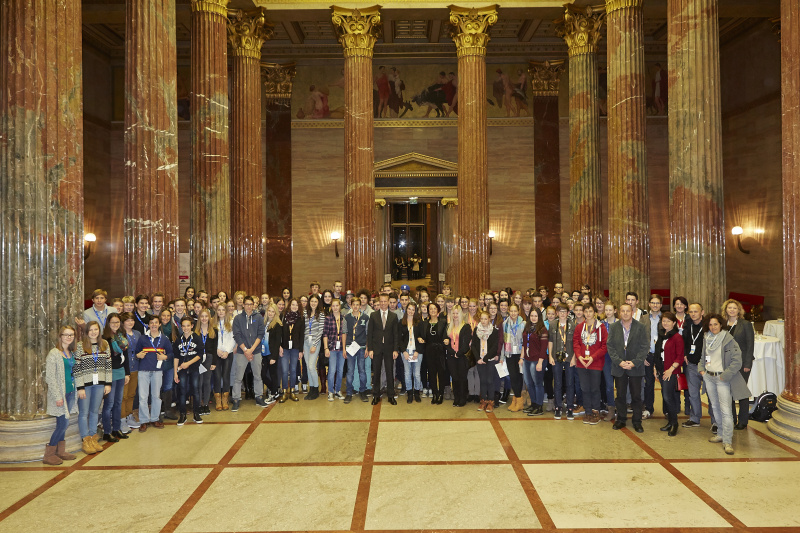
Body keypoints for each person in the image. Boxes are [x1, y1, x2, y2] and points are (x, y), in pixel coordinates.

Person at [701, 314, 751, 455]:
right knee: (715, 407)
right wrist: (702, 370)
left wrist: (725, 375)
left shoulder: (728, 339)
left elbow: (737, 361)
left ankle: (728, 441)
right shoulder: (706, 337)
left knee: (726, 410)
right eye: (710, 325)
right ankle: (721, 433)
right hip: (709, 377)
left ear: (721, 325)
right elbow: (703, 356)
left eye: (715, 324)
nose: (713, 327)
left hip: (723, 379)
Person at [608, 303, 649, 432]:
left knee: (636, 396)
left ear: (632, 312)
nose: (625, 313)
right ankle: (621, 419)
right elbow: (610, 346)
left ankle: (637, 421)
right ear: (619, 312)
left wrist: (635, 362)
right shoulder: (614, 327)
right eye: (623, 311)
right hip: (619, 367)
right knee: (620, 395)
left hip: (635, 367)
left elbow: (644, 346)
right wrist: (619, 362)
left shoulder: (640, 327)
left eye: (628, 311)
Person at [43, 326, 80, 465]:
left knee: (64, 422)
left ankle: (60, 451)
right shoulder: (54, 353)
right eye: (66, 335)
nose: (69, 337)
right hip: (60, 394)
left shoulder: (70, 352)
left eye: (71, 335)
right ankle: (49, 454)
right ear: (60, 336)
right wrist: (58, 396)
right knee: (63, 423)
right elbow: (50, 378)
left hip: (70, 391)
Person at [74, 321, 112, 453]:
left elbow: (108, 365)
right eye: (90, 330)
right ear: (86, 332)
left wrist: (108, 383)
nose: (93, 332)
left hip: (100, 384)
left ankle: (93, 436)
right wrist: (80, 387)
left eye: (95, 329)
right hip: (85, 385)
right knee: (84, 412)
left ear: (99, 331)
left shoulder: (104, 344)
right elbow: (77, 367)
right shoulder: (80, 346)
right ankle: (86, 439)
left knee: (95, 411)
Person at [722, 299, 755, 430]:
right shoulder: (723, 324)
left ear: (739, 310)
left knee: (741, 392)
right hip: (726, 364)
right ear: (726, 310)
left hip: (742, 364)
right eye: (729, 308)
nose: (732, 310)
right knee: (728, 392)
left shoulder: (745, 324)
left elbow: (750, 345)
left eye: (734, 308)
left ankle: (743, 420)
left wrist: (747, 363)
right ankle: (731, 418)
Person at [572, 305, 607, 424]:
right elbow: (576, 343)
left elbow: (604, 346)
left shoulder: (601, 327)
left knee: (595, 388)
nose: (587, 313)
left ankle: (595, 411)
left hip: (595, 363)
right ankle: (587, 411)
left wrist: (593, 357)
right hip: (582, 363)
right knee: (584, 388)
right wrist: (579, 356)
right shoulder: (579, 327)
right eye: (585, 311)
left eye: (590, 311)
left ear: (594, 312)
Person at [232, 296, 267, 411]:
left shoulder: (258, 317)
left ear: (253, 305)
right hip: (242, 352)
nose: (248, 306)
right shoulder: (237, 318)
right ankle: (236, 399)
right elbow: (237, 335)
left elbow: (260, 334)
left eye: (250, 304)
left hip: (255, 351)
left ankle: (259, 396)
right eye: (246, 304)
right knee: (238, 377)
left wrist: (251, 350)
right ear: (243, 305)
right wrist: (246, 350)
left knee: (257, 375)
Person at [101, 313, 130, 442]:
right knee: (109, 404)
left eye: (117, 322)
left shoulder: (121, 337)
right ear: (108, 323)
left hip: (120, 371)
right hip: (109, 373)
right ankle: (107, 431)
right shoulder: (104, 339)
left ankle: (116, 428)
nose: (115, 325)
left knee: (118, 402)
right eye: (112, 323)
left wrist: (127, 373)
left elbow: (126, 357)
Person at [367, 293, 400, 405]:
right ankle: (376, 395)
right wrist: (370, 349)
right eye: (381, 301)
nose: (383, 303)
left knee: (390, 372)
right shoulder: (373, 315)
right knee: (376, 372)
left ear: (388, 302)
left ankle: (391, 395)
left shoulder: (393, 316)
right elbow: (370, 333)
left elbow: (396, 334)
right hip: (376, 348)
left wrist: (396, 349)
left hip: (389, 349)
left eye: (385, 301)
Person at [657, 312, 685, 436]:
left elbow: (679, 357)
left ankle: (674, 423)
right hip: (662, 370)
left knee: (668, 397)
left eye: (668, 321)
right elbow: (658, 353)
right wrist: (655, 368)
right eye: (664, 321)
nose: (665, 323)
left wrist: (670, 370)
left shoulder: (677, 337)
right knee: (666, 396)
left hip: (671, 371)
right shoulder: (662, 335)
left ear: (674, 323)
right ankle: (670, 421)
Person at [173, 317, 204, 425]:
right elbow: (176, 357)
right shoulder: (178, 339)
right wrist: (175, 373)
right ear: (181, 327)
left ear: (192, 326)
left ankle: (196, 413)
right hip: (181, 370)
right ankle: (182, 414)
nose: (186, 328)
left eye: (188, 325)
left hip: (194, 368)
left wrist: (188, 363)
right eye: (183, 326)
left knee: (195, 390)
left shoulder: (197, 338)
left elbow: (200, 354)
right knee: (182, 391)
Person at [682, 303, 707, 429]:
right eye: (691, 312)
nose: (693, 314)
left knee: (712, 395)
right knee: (693, 394)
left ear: (702, 312)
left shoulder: (708, 326)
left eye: (695, 311)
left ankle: (715, 422)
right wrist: (685, 354)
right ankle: (695, 418)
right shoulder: (688, 324)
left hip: (707, 366)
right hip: (691, 364)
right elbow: (684, 341)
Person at [642, 294, 665, 419]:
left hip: (662, 356)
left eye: (657, 303)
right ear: (649, 304)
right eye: (653, 302)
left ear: (661, 305)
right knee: (649, 384)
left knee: (664, 383)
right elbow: (639, 338)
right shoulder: (643, 319)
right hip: (648, 355)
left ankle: (666, 410)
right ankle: (648, 409)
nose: (655, 305)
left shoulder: (666, 318)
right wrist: (643, 356)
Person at [522, 308, 548, 416]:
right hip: (527, 360)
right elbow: (524, 344)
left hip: (537, 360)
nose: (533, 318)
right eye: (532, 316)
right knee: (529, 383)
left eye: (536, 316)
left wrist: (540, 362)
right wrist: (521, 358)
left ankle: (539, 406)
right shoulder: (527, 328)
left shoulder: (542, 329)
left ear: (539, 317)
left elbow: (543, 347)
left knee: (537, 384)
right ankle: (533, 404)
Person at [471, 311, 499, 412]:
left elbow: (494, 347)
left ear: (489, 319)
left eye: (485, 319)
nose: (483, 321)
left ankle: (491, 401)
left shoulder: (494, 331)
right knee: (482, 380)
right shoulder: (476, 330)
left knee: (490, 380)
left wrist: (485, 358)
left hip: (490, 359)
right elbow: (473, 345)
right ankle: (483, 401)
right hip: (479, 360)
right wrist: (478, 358)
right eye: (481, 319)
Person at [445, 306, 472, 407]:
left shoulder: (466, 327)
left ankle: (462, 398)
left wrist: (459, 353)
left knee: (462, 378)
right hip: (451, 356)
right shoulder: (448, 326)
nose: (455, 315)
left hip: (462, 356)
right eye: (453, 313)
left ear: (460, 314)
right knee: (455, 377)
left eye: (457, 313)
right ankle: (456, 397)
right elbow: (445, 342)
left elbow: (466, 344)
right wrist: (452, 352)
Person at [279, 299, 304, 403]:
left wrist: (301, 350)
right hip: (284, 347)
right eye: (293, 304)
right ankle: (284, 392)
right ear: (289, 306)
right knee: (285, 371)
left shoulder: (301, 319)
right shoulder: (283, 317)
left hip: (295, 348)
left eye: (296, 305)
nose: (294, 307)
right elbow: (279, 333)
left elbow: (301, 335)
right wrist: (279, 346)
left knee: (293, 370)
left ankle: (292, 391)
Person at [399, 302, 425, 403]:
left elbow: (422, 338)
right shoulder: (401, 322)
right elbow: (399, 339)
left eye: (413, 309)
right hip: (406, 351)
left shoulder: (419, 322)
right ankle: (409, 393)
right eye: (409, 309)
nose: (411, 311)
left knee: (417, 374)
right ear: (406, 310)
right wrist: (403, 351)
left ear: (415, 311)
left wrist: (417, 351)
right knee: (407, 373)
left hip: (417, 352)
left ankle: (417, 392)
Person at [120, 312, 141, 431]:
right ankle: (122, 419)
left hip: (136, 367)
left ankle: (129, 416)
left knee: (132, 394)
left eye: (132, 320)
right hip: (124, 369)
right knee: (124, 396)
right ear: (123, 323)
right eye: (127, 320)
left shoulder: (137, 334)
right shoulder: (120, 335)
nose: (130, 322)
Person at [424, 302, 448, 405]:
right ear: (428, 311)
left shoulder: (443, 322)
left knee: (441, 374)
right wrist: (420, 338)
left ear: (438, 311)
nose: (433, 311)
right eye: (431, 309)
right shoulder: (424, 323)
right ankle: (434, 394)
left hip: (440, 351)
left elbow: (446, 335)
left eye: (435, 309)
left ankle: (441, 394)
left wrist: (447, 340)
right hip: (429, 351)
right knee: (432, 374)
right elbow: (420, 335)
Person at [503, 304, 525, 412]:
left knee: (519, 377)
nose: (513, 313)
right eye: (511, 311)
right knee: (512, 376)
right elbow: (503, 341)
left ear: (518, 311)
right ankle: (515, 399)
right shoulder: (505, 324)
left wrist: (523, 356)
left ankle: (519, 400)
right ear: (508, 311)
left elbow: (526, 341)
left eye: (515, 311)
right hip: (510, 353)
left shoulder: (523, 323)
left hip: (520, 354)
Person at [214, 303, 236, 410]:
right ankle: (218, 400)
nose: (221, 312)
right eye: (219, 310)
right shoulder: (214, 323)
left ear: (226, 311)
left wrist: (227, 351)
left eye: (223, 310)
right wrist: (217, 350)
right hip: (217, 353)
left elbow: (233, 338)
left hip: (228, 353)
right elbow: (212, 338)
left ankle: (225, 399)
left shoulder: (231, 323)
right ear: (216, 311)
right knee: (217, 376)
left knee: (226, 375)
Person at [302, 294, 325, 400]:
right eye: (312, 301)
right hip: (306, 343)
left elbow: (320, 331)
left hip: (314, 343)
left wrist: (314, 345)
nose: (313, 303)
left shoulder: (321, 314)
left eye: (315, 301)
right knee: (307, 367)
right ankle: (311, 389)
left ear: (318, 303)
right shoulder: (305, 313)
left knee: (312, 366)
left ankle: (316, 388)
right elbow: (304, 329)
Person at [323, 299, 346, 401]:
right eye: (333, 306)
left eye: (337, 306)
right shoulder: (328, 319)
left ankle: (338, 390)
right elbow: (325, 335)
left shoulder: (344, 319)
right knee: (332, 370)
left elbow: (346, 334)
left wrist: (345, 348)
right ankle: (330, 391)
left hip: (341, 348)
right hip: (331, 348)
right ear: (331, 307)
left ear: (340, 307)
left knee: (340, 370)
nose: (335, 308)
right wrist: (326, 348)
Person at [195, 309, 217, 415]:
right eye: (202, 316)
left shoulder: (213, 331)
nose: (204, 318)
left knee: (207, 382)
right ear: (199, 318)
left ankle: (206, 404)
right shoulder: (195, 332)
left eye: (206, 316)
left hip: (209, 358)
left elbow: (214, 348)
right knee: (199, 382)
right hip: (198, 359)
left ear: (209, 318)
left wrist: (214, 363)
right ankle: (199, 404)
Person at [261, 303, 283, 404]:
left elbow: (277, 342)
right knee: (263, 374)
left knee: (273, 374)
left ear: (276, 313)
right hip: (264, 353)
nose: (270, 313)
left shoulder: (277, 325)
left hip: (272, 354)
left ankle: (273, 394)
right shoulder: (264, 323)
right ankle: (275, 390)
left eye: (273, 311)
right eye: (269, 311)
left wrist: (274, 357)